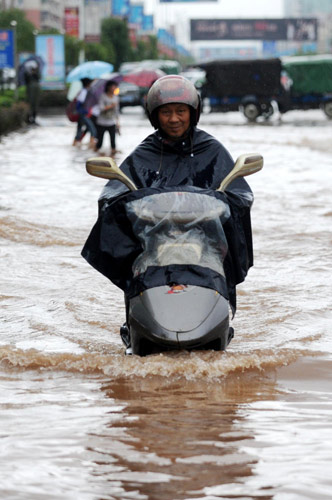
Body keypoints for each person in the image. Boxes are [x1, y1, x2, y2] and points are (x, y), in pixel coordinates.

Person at [82, 75, 254, 352]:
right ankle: (133, 323)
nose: (174, 119)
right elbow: (113, 192)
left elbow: (239, 193)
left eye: (180, 111)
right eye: (166, 112)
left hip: (204, 246)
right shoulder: (144, 153)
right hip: (153, 246)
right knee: (134, 268)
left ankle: (219, 320)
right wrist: (126, 203)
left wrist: (222, 203)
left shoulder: (211, 150)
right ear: (154, 115)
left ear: (192, 113)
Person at [94, 80, 120, 156]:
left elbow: (117, 112)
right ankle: (95, 154)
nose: (114, 88)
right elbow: (101, 108)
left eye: (115, 86)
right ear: (108, 87)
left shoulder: (116, 98)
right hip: (101, 122)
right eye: (113, 86)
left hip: (111, 122)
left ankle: (113, 157)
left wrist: (118, 123)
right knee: (100, 142)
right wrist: (110, 106)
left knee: (113, 142)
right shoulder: (103, 96)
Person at [73, 78, 97, 148]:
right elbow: (81, 102)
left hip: (81, 113)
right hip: (83, 114)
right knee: (92, 130)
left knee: (79, 130)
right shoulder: (84, 92)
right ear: (88, 84)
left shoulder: (84, 91)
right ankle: (92, 147)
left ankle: (74, 145)